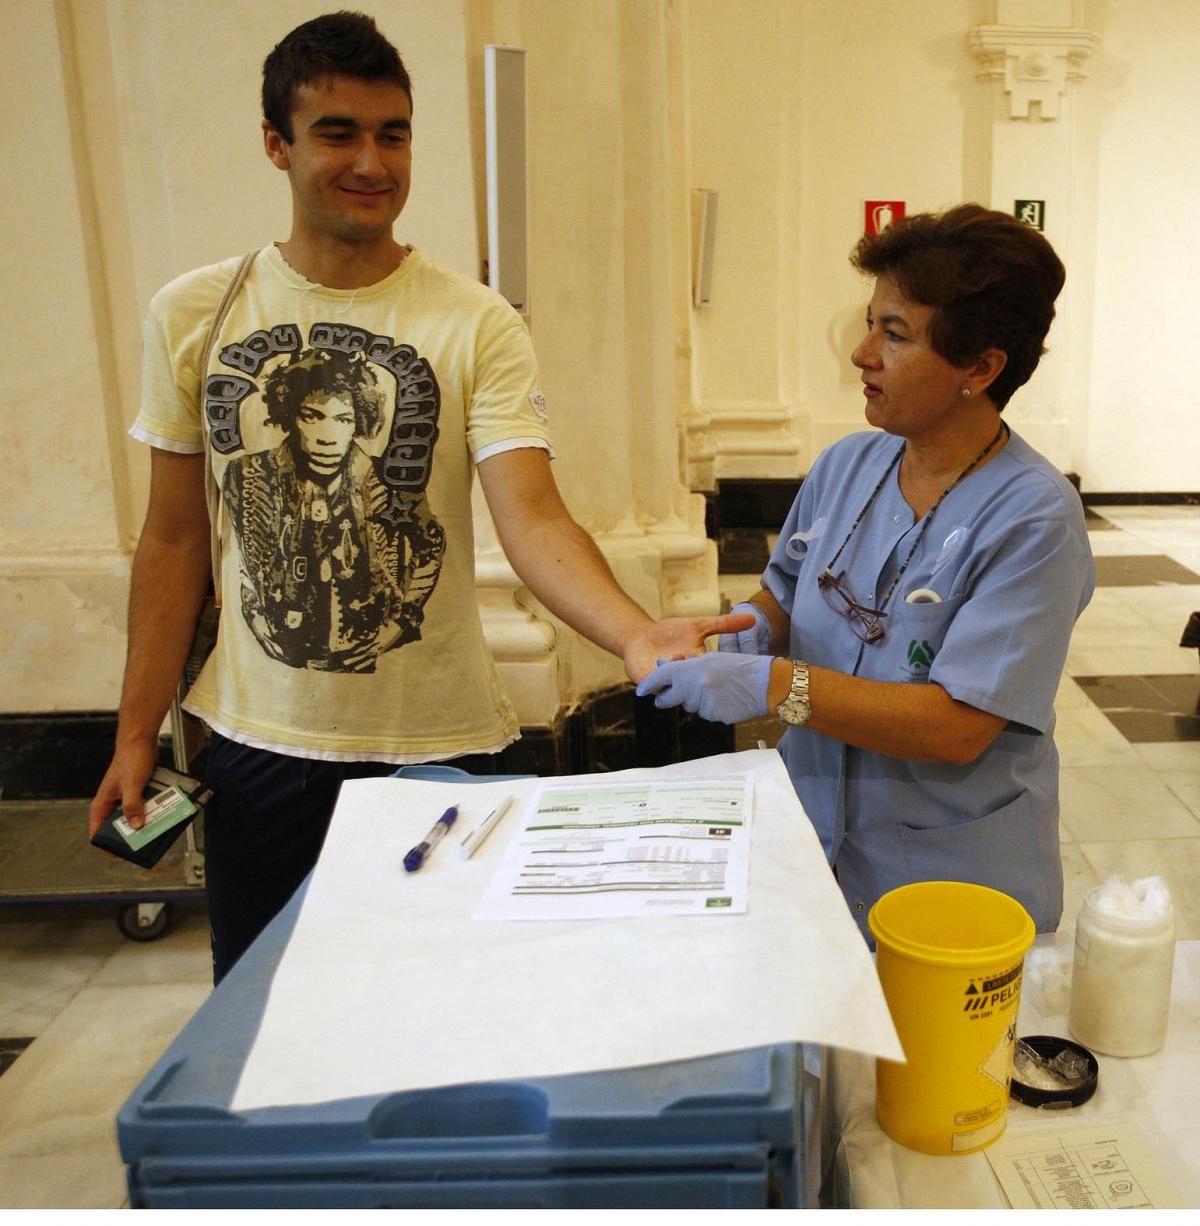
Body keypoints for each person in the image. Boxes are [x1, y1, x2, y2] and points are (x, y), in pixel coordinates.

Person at [88, 10, 749, 982]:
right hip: (261, 745)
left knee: (449, 1003)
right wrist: (136, 732)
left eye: (392, 132)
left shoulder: (472, 321)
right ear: (276, 143)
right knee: (268, 1004)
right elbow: (175, 541)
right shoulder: (196, 313)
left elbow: (532, 514)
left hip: (440, 746)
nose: (371, 160)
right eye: (338, 132)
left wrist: (630, 632)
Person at [639, 204, 1095, 942]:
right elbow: (786, 588)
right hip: (814, 841)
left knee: (932, 1055)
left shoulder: (1033, 520)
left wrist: (772, 688)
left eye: (894, 334)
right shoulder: (848, 465)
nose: (861, 353)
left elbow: (957, 728)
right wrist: (750, 630)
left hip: (946, 878)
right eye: (869, 323)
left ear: (980, 368)